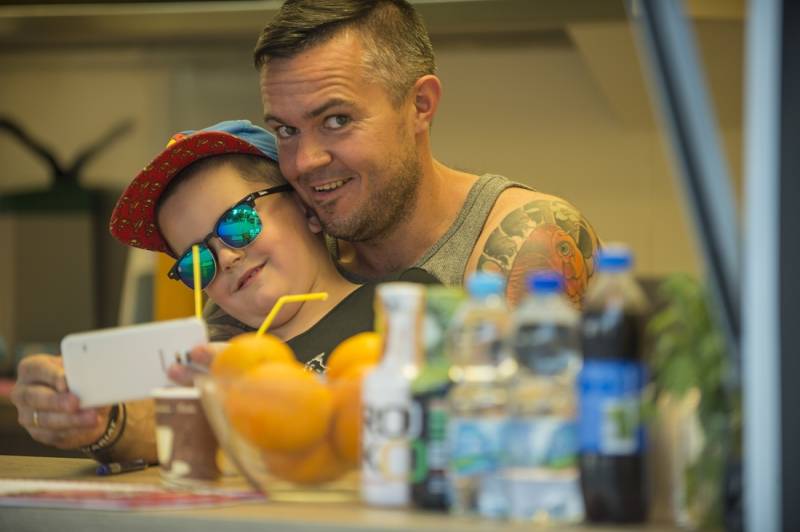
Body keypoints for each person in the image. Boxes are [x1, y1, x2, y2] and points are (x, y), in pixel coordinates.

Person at [10, 119, 436, 463]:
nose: (227, 257)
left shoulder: (402, 305)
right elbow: (150, 422)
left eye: (238, 222)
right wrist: (101, 420)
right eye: (199, 261)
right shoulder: (207, 355)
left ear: (307, 208)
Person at [203, 0, 600, 345]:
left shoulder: (527, 239)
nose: (305, 161)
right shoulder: (277, 263)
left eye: (337, 120)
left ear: (420, 105)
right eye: (287, 131)